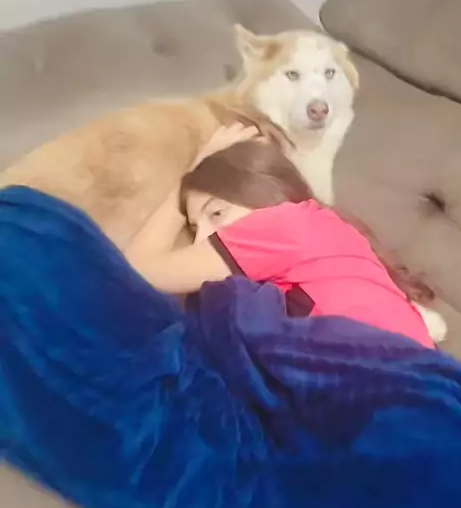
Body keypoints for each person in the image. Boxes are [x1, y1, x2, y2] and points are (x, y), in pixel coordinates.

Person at [125, 124, 435, 349]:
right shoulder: (325, 233)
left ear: (258, 191)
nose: (200, 240)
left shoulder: (282, 225)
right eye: (195, 229)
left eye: (216, 213)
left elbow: (136, 271)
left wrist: (186, 180)